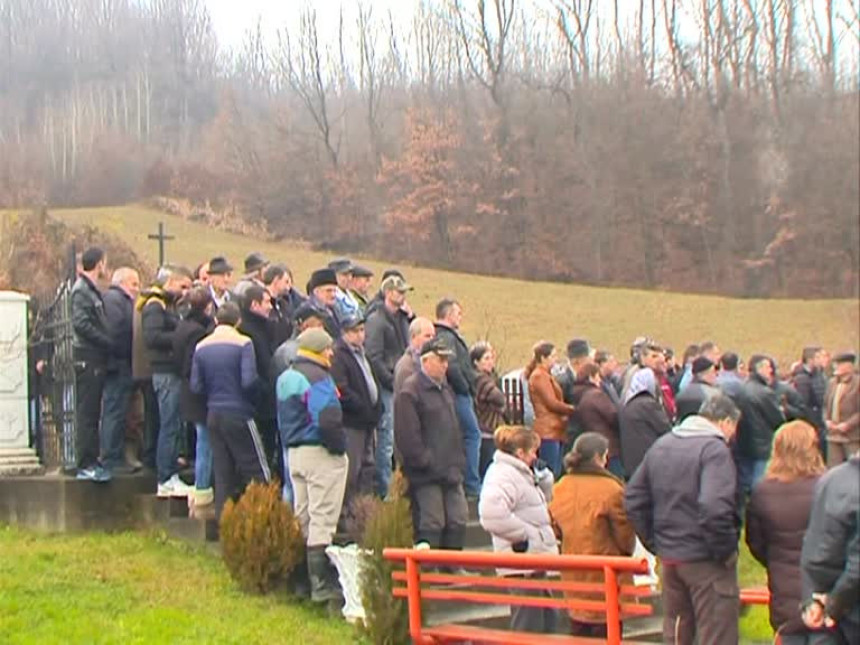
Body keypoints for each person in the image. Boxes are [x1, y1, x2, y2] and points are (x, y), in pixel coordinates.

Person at [625, 395, 742, 645]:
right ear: (725, 422)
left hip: (671, 557)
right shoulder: (714, 449)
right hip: (706, 558)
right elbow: (714, 507)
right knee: (716, 631)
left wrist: (656, 542)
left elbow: (634, 498)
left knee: (678, 630)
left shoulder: (662, 445)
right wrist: (724, 550)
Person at [276, 328, 347, 604]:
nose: (331, 353)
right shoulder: (318, 377)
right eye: (328, 348)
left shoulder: (286, 376)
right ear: (318, 349)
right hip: (320, 453)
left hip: (294, 452)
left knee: (301, 516)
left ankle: (299, 583)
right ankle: (321, 588)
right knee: (322, 518)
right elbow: (327, 420)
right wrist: (340, 449)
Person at [745, 420, 826, 642]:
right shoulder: (826, 487)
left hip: (783, 591)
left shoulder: (762, 491)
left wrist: (775, 559)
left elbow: (755, 541)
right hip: (823, 589)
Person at [550, 432, 636, 638]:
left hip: (573, 566)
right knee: (606, 629)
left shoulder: (561, 486)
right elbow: (625, 536)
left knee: (579, 627)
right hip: (603, 570)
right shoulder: (611, 489)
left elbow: (555, 527)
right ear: (599, 458)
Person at [191, 302, 270, 519]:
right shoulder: (244, 343)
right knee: (256, 467)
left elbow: (196, 386)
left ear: (216, 320)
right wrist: (255, 400)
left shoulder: (201, 346)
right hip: (239, 412)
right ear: (239, 321)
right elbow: (249, 381)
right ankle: (264, 516)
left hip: (213, 413)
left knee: (222, 470)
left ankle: (223, 523)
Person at [479, 425, 559, 634]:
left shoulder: (522, 473)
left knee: (548, 619)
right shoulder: (502, 475)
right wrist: (526, 535)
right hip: (521, 562)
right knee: (528, 626)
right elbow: (491, 513)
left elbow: (541, 502)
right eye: (533, 451)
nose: (536, 456)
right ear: (520, 453)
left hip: (534, 561)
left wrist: (544, 478)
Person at [394, 337, 467, 552]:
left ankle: (454, 566)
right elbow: (407, 436)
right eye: (440, 360)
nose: (445, 365)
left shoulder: (445, 389)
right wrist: (425, 461)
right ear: (425, 361)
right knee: (432, 521)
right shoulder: (410, 391)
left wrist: (458, 459)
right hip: (426, 472)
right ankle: (430, 569)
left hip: (451, 466)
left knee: (458, 517)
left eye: (446, 360)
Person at [141, 264, 194, 497]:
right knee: (169, 425)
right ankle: (166, 477)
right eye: (183, 286)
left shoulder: (168, 305)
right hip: (165, 372)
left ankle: (169, 473)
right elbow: (152, 337)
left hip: (170, 371)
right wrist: (180, 336)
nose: (185, 292)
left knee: (172, 424)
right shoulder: (155, 305)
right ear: (169, 282)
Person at [800, 452, 859, 645]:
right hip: (844, 606)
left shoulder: (829, 479)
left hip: (824, 597)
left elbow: (811, 545)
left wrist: (813, 599)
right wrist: (834, 604)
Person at [330, 314, 382, 525]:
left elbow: (373, 382)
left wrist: (377, 407)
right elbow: (341, 389)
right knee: (351, 470)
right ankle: (345, 514)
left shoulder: (363, 355)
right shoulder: (339, 356)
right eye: (355, 331)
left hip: (368, 421)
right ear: (344, 333)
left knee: (368, 467)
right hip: (351, 422)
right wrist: (362, 407)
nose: (360, 335)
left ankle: (362, 512)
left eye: (362, 330)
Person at [365, 274, 412, 498]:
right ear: (388, 293)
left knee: (398, 437)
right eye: (399, 292)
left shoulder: (402, 318)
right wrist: (391, 382)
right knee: (386, 439)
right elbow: (374, 357)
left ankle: (396, 486)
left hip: (400, 383)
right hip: (387, 386)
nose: (403, 296)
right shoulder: (376, 320)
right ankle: (384, 489)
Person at [70, 247, 113, 482]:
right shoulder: (81, 291)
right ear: (99, 264)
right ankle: (85, 463)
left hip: (96, 358)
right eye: (105, 263)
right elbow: (81, 324)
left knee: (94, 412)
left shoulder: (91, 291)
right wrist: (106, 341)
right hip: (88, 358)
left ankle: (92, 459)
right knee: (87, 413)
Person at [173, 287, 215, 513]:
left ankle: (202, 488)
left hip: (187, 391)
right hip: (198, 395)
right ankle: (203, 490)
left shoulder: (182, 325)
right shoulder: (199, 332)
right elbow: (193, 365)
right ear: (208, 307)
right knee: (205, 444)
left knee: (202, 442)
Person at [434, 298, 482, 498]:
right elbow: (452, 366)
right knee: (472, 435)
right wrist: (465, 387)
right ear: (448, 314)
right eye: (458, 313)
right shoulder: (445, 337)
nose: (460, 317)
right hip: (459, 394)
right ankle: (472, 483)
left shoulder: (449, 336)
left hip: (461, 393)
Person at [100, 267, 140, 474]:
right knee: (114, 412)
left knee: (120, 412)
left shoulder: (118, 300)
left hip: (121, 364)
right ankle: (110, 457)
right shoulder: (115, 300)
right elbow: (116, 331)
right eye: (134, 284)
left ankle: (114, 456)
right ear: (122, 282)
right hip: (118, 365)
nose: (137, 289)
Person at [239, 284, 278, 471]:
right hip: (258, 404)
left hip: (267, 400)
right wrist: (264, 391)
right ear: (254, 305)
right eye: (266, 302)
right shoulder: (248, 331)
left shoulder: (264, 328)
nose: (270, 306)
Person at [736, 354, 786, 498]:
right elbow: (778, 420)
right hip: (762, 446)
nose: (771, 370)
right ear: (759, 369)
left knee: (746, 482)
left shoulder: (741, 388)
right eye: (768, 367)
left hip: (744, 443)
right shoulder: (765, 393)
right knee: (760, 487)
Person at [526, 342, 574, 478]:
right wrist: (573, 409)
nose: (556, 359)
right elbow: (551, 403)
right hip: (548, 430)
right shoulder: (539, 376)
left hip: (554, 429)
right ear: (543, 358)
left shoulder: (545, 375)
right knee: (550, 473)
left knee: (554, 472)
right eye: (553, 356)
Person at [571, 363, 623, 479]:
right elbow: (613, 416)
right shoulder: (596, 395)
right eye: (598, 376)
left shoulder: (580, 395)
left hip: (594, 440)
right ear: (591, 377)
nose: (600, 380)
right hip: (609, 446)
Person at [618, 367, 671, 478]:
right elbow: (665, 428)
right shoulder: (648, 404)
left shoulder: (626, 403)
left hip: (630, 460)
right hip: (648, 459)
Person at [470, 341, 508, 478]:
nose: (491, 362)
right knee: (488, 470)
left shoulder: (487, 378)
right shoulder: (481, 380)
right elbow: (499, 398)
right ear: (476, 362)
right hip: (487, 427)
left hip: (486, 427)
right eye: (486, 358)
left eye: (491, 358)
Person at [823, 352, 859, 467]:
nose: (835, 367)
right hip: (833, 435)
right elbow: (825, 405)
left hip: (852, 437)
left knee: (854, 469)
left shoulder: (857, 384)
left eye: (839, 364)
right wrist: (826, 420)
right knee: (833, 468)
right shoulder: (832, 383)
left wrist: (847, 424)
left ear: (849, 366)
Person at [272, 303, 326, 379]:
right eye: (319, 325)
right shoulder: (289, 353)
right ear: (305, 326)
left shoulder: (316, 347)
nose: (322, 330)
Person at [393, 317, 436, 396]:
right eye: (427, 336)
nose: (431, 340)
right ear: (413, 337)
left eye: (433, 336)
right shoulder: (406, 366)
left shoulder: (433, 361)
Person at [674, 356, 720, 422]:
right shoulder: (713, 395)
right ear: (705, 373)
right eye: (713, 371)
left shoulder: (681, 393)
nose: (716, 374)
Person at [263, 263, 294, 347]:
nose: (289, 287)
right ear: (276, 280)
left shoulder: (284, 304)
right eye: (286, 282)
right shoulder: (261, 302)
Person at [305, 268, 342, 339]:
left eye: (335, 291)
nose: (333, 295)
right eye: (328, 291)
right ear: (316, 292)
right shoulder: (309, 312)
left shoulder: (334, 309)